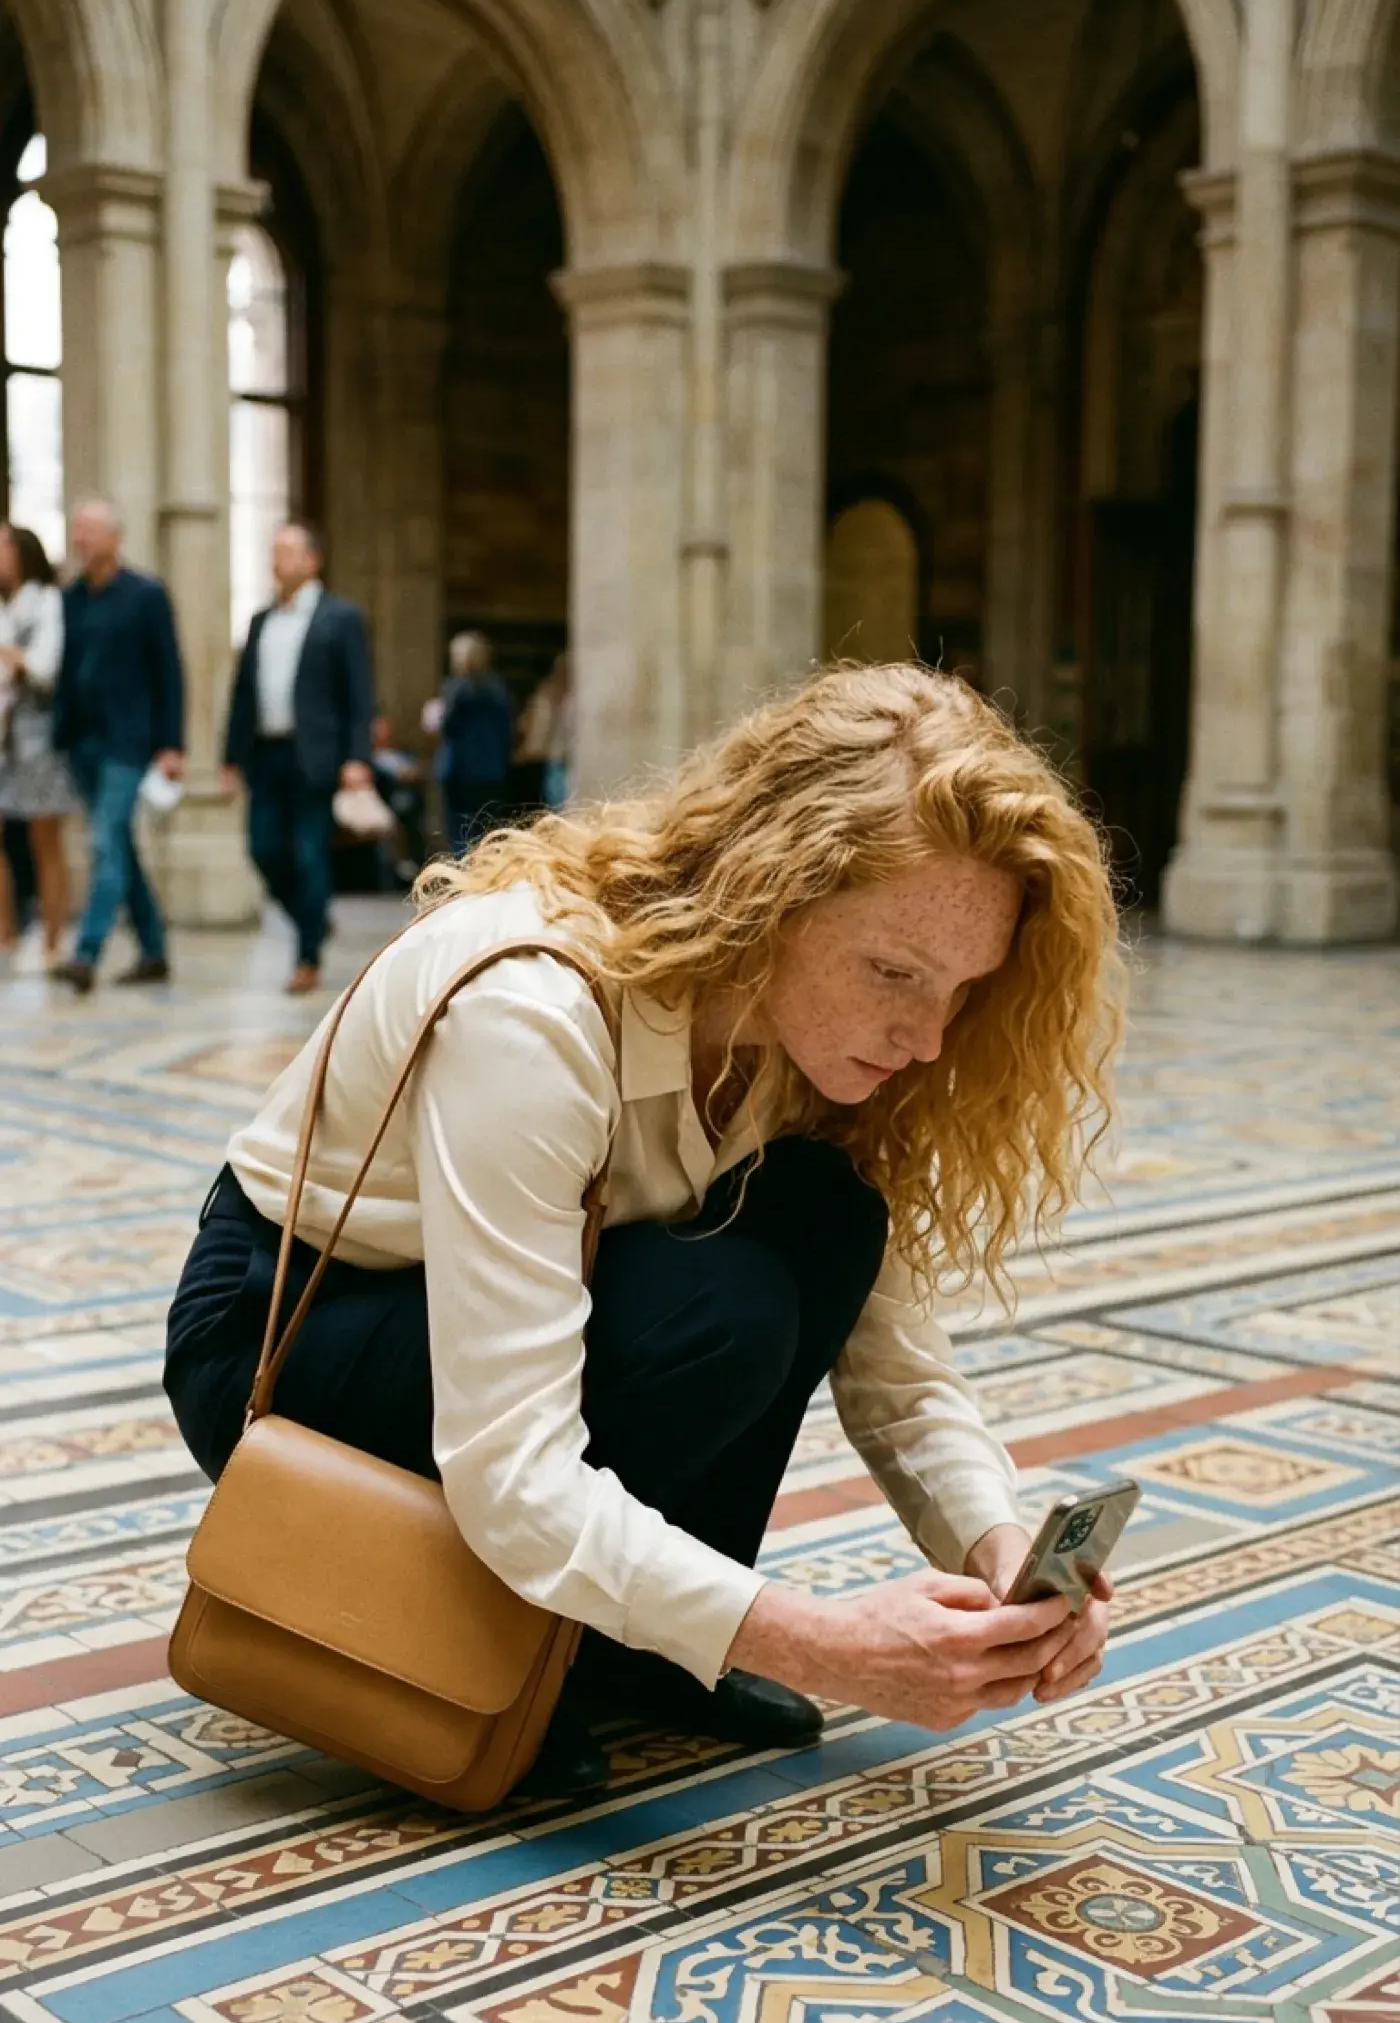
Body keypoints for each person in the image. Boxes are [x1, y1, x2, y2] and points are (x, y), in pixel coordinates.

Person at [165, 664, 1123, 1800]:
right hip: (290, 1329)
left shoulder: (814, 1042)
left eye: (959, 990)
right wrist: (815, 1640)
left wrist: (996, 1550)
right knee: (717, 1311)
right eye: (890, 973)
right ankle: (514, 1662)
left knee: (819, 1221)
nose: (923, 1036)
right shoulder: (532, 1010)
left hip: (496, 1322)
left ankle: (641, 1645)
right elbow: (509, 1466)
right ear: (770, 892)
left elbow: (897, 1372)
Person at [220, 522, 375, 996]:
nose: (276, 561)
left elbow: (359, 693)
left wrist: (357, 757)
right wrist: (231, 759)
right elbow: (243, 694)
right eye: (273, 551)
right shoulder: (260, 620)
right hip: (267, 754)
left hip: (316, 756)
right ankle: (312, 918)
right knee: (262, 847)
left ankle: (307, 957)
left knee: (310, 854)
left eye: (286, 552)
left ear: (312, 561)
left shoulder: (340, 618)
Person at [50, 499, 185, 994]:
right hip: (82, 741)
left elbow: (169, 671)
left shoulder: (146, 595)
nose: (81, 541)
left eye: (89, 532)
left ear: (114, 537)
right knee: (120, 845)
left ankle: (86, 954)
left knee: (106, 841)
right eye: (77, 532)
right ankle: (154, 950)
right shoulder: (71, 599)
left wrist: (172, 743)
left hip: (130, 742)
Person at [0, 525, 71, 963]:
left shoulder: (46, 602)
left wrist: (11, 655)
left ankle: (52, 941)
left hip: (37, 736)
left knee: (45, 838)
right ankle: (4, 934)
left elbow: (44, 668)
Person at [434, 631, 513, 853]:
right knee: (486, 828)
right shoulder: (498, 689)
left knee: (460, 829)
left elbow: (447, 724)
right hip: (491, 770)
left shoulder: (457, 688)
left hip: (459, 768)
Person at [511, 651, 573, 815]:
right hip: (553, 761)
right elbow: (536, 728)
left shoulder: (573, 696)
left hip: (561, 761)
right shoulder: (546, 694)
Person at [370, 713, 427, 887]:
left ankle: (412, 861)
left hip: (409, 801)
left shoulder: (402, 754)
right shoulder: (369, 759)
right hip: (384, 800)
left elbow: (417, 772)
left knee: (409, 807)